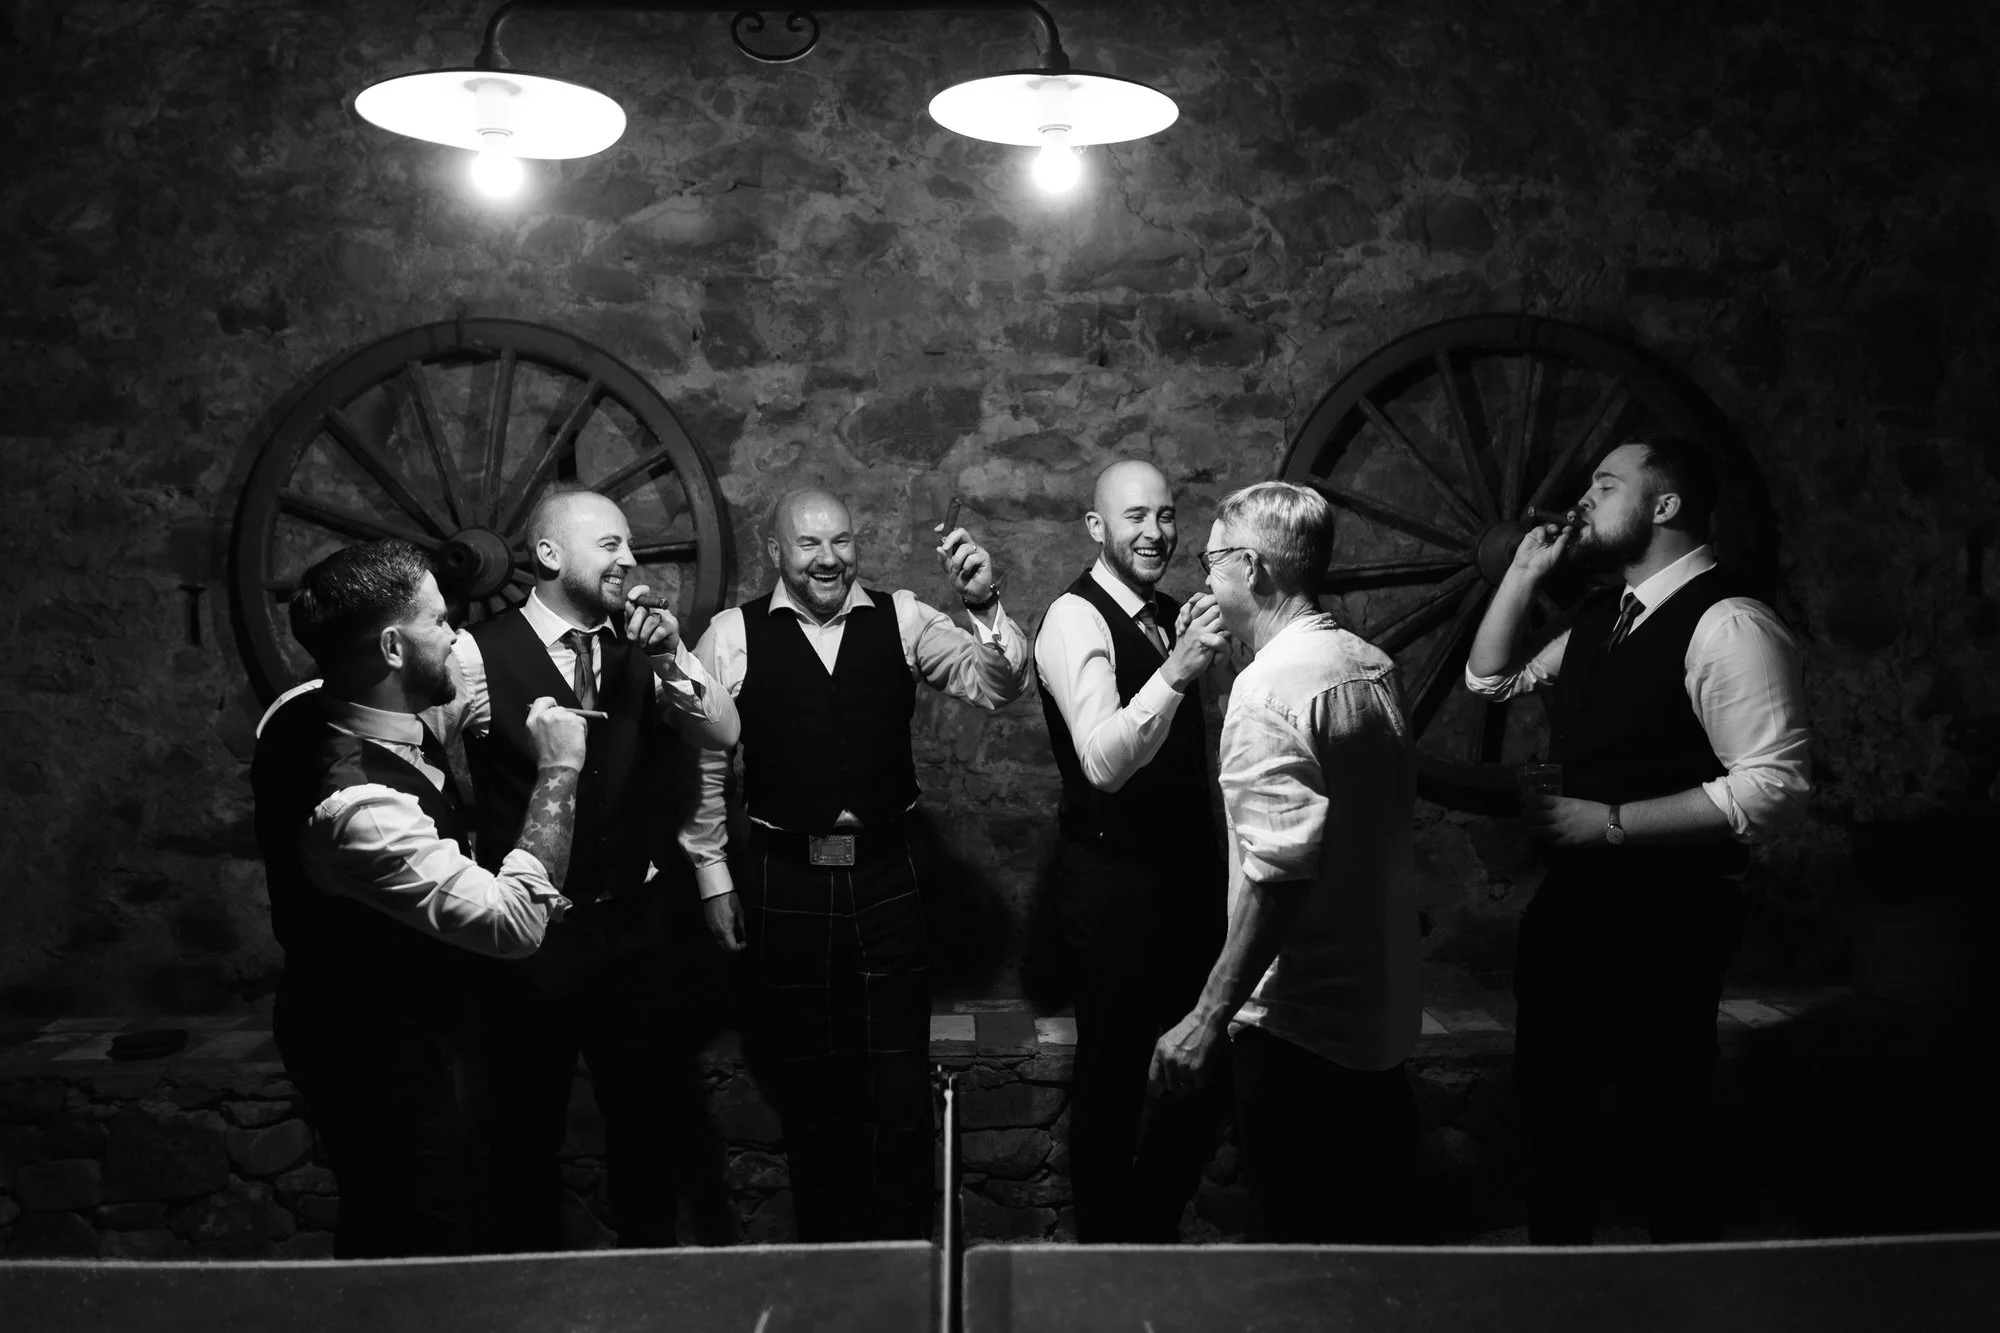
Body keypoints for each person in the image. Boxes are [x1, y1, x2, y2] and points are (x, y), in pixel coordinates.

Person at [1464, 435, 1809, 1244]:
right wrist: (1520, 573)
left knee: (1663, 1126)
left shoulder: (1730, 624)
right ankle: (1560, 1293)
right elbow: (1492, 677)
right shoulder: (1600, 615)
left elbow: (1773, 786)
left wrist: (1612, 823)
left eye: (1606, 484)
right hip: (1575, 906)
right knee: (1552, 1116)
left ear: (1665, 506)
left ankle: (1671, 1302)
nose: (1583, 498)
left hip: (1669, 914)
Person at [688, 488, 1031, 1241]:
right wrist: (713, 875)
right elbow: (705, 762)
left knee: (899, 1084)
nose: (828, 558)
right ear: (776, 550)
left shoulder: (903, 616)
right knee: (809, 1087)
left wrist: (985, 605)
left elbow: (997, 688)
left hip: (888, 870)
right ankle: (829, 1262)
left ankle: (907, 1256)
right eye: (809, 543)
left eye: (842, 541)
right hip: (787, 875)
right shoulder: (730, 636)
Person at [251, 539, 584, 1258]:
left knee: (410, 1212)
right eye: (442, 622)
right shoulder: (359, 808)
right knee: (420, 1225)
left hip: (408, 1021)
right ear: (395, 647)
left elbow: (452, 674)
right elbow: (515, 922)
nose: (459, 636)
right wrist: (559, 769)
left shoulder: (314, 701)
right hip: (374, 1044)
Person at [433, 487, 740, 1251]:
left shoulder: (645, 646)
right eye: (610, 544)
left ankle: (650, 1291)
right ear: (548, 555)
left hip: (632, 929)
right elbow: (417, 758)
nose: (629, 560)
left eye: (626, 545)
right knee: (521, 1134)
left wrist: (671, 654)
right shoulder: (477, 655)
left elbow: (724, 730)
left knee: (646, 1129)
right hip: (531, 937)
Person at [1150, 481, 1424, 1245]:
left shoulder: (1265, 693)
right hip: (1377, 1017)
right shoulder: (1370, 663)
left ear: (1255, 569)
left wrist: (1208, 1015)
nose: (1203, 579)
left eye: (1212, 562)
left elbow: (1278, 877)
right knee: (1372, 1253)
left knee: (1299, 1258)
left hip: (1297, 1034)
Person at [1032, 460, 1232, 1242]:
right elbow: (1105, 762)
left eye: (1166, 516)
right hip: (1113, 883)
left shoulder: (1171, 612)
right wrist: (1179, 671)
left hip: (1184, 879)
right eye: (1135, 517)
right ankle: (1106, 1258)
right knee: (1114, 1080)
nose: (1155, 533)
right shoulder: (1073, 620)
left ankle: (1147, 1232)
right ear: (1096, 527)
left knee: (1203, 1066)